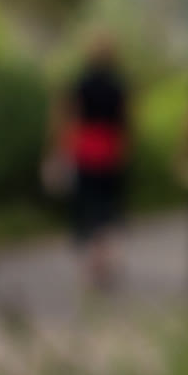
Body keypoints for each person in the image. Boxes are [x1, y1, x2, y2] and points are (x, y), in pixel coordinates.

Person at [51, 32, 132, 293]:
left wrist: (60, 150)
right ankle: (102, 257)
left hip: (85, 149)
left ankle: (90, 262)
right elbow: (126, 121)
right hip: (110, 150)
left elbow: (68, 117)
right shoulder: (118, 85)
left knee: (85, 205)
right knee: (106, 205)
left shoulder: (81, 84)